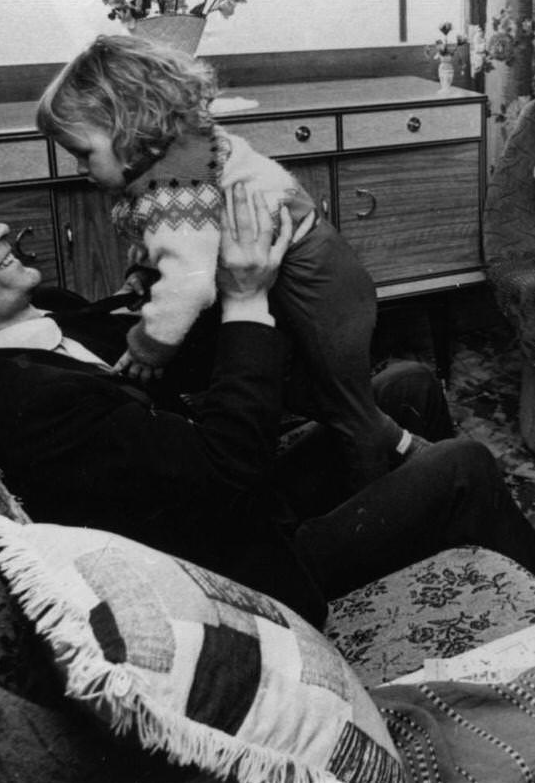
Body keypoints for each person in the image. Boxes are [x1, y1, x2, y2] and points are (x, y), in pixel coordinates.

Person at [0, 184, 535, 627]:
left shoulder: (39, 313)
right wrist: (247, 302)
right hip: (250, 573)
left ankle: (475, 581)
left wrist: (193, 274)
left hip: (237, 503)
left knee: (407, 385)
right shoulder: (21, 403)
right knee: (460, 466)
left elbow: (171, 355)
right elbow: (228, 469)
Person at [35, 34, 407, 488]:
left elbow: (191, 283)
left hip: (317, 279)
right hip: (302, 269)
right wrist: (145, 268)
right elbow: (179, 242)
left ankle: (380, 497)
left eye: (82, 153)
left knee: (348, 409)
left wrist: (150, 346)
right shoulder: (178, 149)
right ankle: (405, 449)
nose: (77, 168)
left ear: (129, 130)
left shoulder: (175, 188)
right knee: (323, 394)